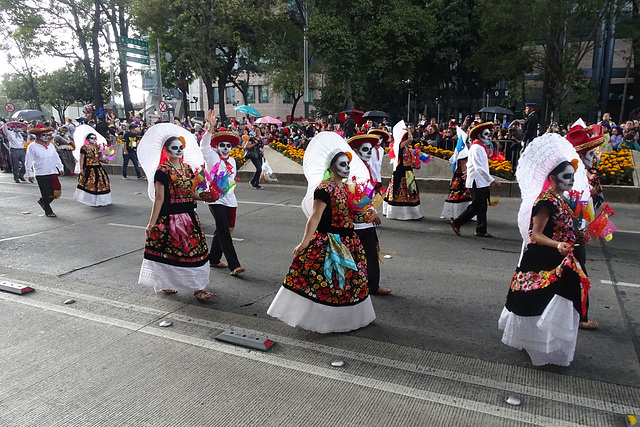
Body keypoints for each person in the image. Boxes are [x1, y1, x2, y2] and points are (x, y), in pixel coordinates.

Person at [267, 132, 376, 333]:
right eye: (342, 164)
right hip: (329, 242)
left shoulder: (346, 189)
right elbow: (315, 217)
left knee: (352, 282)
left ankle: (345, 319)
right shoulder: (323, 189)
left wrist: (368, 215)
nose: (347, 168)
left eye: (348, 164)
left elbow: (348, 215)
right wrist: (304, 243)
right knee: (327, 282)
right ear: (331, 167)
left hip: (349, 242)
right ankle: (324, 321)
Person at [499, 133, 589, 367]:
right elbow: (536, 234)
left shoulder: (564, 200)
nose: (570, 180)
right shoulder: (545, 201)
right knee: (540, 303)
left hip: (563, 259)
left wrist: (580, 236)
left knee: (560, 304)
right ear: (552, 178)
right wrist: (557, 244)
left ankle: (553, 348)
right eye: (565, 176)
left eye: (572, 176)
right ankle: (538, 347)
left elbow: (564, 228)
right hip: (543, 260)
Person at [137, 124, 212, 301]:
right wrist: (152, 223)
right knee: (171, 255)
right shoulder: (162, 171)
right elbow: (159, 199)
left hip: (189, 218)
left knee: (196, 254)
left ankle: (198, 288)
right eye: (174, 148)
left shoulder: (187, 168)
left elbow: (191, 193)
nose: (178, 151)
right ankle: (168, 283)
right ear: (167, 150)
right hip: (169, 219)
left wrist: (205, 197)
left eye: (180, 147)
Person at [566, 126, 606, 331]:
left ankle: (576, 315)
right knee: (579, 276)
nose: (593, 158)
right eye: (590, 154)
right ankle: (581, 316)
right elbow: (571, 209)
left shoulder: (579, 175)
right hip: (569, 237)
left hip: (575, 235)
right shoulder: (570, 177)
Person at [202, 110, 245, 276]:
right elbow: (204, 146)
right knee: (224, 231)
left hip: (230, 199)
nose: (225, 148)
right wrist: (209, 129)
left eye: (228, 146)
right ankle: (234, 265)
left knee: (222, 229)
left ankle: (213, 259)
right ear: (217, 147)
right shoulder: (212, 157)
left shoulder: (233, 161)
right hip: (215, 199)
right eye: (222, 145)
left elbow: (231, 180)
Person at [348, 134, 391, 296]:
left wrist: (375, 204)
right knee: (355, 254)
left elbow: (368, 191)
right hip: (354, 221)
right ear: (355, 150)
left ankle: (372, 285)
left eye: (370, 150)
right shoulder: (350, 168)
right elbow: (353, 195)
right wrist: (370, 210)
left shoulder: (366, 167)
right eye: (365, 150)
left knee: (371, 253)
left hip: (366, 219)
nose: (369, 153)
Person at [450, 122, 501, 237]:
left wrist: (469, 171)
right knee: (477, 205)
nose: (489, 136)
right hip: (476, 182)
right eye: (486, 134)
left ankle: (481, 229)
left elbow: (473, 165)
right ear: (479, 135)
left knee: (482, 206)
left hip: (480, 181)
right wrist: (492, 180)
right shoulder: (476, 148)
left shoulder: (480, 147)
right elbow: (479, 167)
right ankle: (457, 222)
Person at [384, 123, 422, 220]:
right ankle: (402, 213)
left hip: (407, 171)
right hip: (402, 172)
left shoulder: (405, 148)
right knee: (403, 190)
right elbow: (411, 139)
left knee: (410, 191)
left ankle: (411, 213)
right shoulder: (399, 145)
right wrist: (408, 130)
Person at [24, 124, 64, 217]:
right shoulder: (32, 146)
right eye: (43, 135)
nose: (46, 137)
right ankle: (48, 210)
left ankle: (43, 202)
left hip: (52, 171)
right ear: (37, 136)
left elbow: (56, 157)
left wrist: (60, 167)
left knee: (56, 191)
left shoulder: (51, 146)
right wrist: (30, 174)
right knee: (46, 192)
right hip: (41, 173)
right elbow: (28, 161)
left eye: (46, 135)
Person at [73, 126, 112, 207]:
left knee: (102, 184)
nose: (93, 139)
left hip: (98, 167)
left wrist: (106, 158)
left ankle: (100, 201)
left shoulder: (97, 147)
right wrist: (81, 169)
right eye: (91, 138)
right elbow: (82, 159)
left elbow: (99, 158)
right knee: (91, 185)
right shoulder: (84, 148)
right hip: (89, 168)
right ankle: (92, 201)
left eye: (94, 138)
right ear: (87, 139)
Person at [441, 141, 472, 220]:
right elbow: (464, 166)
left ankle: (454, 213)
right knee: (460, 196)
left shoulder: (458, 152)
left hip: (456, 177)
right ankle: (459, 214)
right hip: (461, 177)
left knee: (456, 195)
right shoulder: (464, 154)